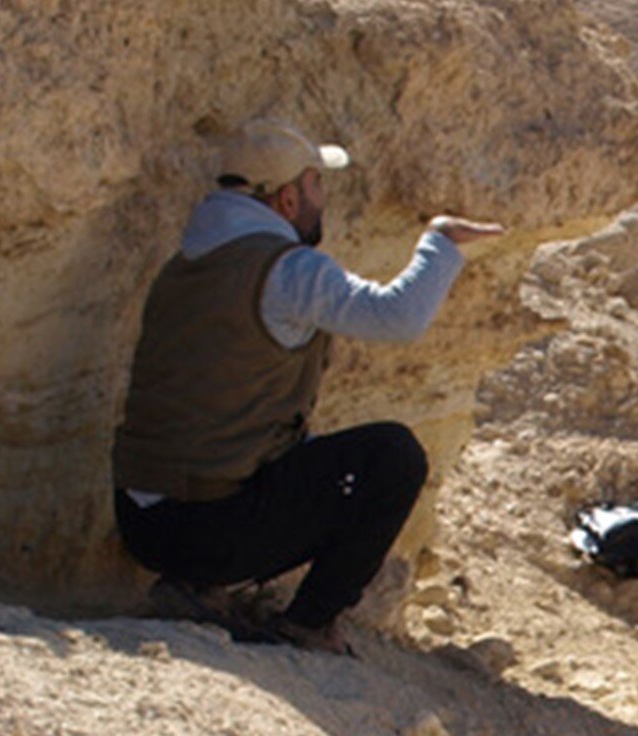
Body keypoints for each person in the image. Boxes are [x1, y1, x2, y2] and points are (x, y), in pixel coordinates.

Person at [112, 117, 502, 653]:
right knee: (391, 458)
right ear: (288, 199)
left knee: (292, 455)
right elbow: (397, 318)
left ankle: (197, 588)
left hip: (140, 519)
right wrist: (440, 244)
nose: (325, 198)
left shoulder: (185, 265)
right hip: (205, 530)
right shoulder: (285, 271)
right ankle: (310, 623)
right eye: (317, 185)